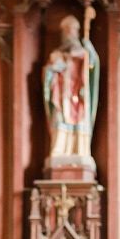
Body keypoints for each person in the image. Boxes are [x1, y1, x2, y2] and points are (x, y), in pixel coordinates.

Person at [42, 15, 99, 161]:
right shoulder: (57, 54)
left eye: (72, 31)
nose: (69, 35)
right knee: (60, 121)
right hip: (61, 98)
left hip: (79, 96)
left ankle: (80, 152)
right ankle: (59, 152)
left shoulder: (84, 53)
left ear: (77, 32)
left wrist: (88, 46)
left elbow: (93, 65)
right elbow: (48, 74)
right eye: (66, 31)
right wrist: (53, 69)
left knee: (80, 122)